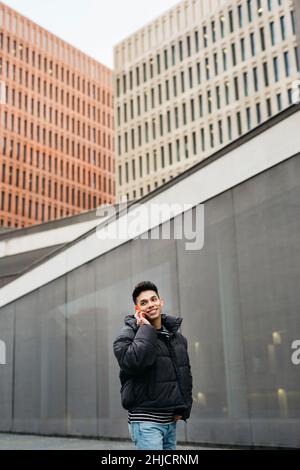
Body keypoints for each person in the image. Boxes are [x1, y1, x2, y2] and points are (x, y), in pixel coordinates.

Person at [113, 281, 193, 450]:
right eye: (143, 302)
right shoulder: (127, 335)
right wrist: (146, 328)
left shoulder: (177, 338)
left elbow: (184, 373)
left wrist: (182, 408)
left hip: (170, 421)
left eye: (153, 299)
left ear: (160, 302)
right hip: (145, 422)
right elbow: (134, 362)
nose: (150, 304)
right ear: (137, 309)